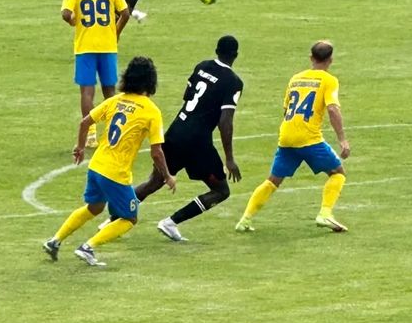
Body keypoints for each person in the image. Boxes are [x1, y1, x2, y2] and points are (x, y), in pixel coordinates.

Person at [42, 55, 175, 267]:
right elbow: (156, 152)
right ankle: (88, 247)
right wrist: (167, 176)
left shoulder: (115, 100)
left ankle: (55, 240)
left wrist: (80, 147)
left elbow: (85, 122)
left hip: (96, 166)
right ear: (151, 81)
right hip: (116, 173)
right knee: (129, 218)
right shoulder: (151, 111)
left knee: (94, 207)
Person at [135, 35, 244, 243]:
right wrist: (229, 158)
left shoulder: (202, 66)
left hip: (177, 131)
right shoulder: (234, 82)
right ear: (235, 55)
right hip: (198, 142)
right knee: (221, 190)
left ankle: (113, 218)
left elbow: (187, 96)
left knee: (154, 181)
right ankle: (170, 222)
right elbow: (225, 122)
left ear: (216, 50)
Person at [235, 40, 350, 234]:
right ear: (331, 60)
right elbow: (332, 108)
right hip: (310, 138)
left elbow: (286, 108)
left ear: (311, 58)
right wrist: (342, 139)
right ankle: (325, 213)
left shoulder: (295, 78)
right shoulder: (329, 80)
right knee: (337, 173)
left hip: (286, 136)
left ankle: (245, 220)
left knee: (272, 180)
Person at [61, 0, 131, 148]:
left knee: (87, 92)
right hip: (107, 45)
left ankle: (90, 134)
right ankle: (113, 133)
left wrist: (73, 20)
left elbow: (66, 14)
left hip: (85, 46)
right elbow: (125, 14)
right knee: (110, 90)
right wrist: (115, 33)